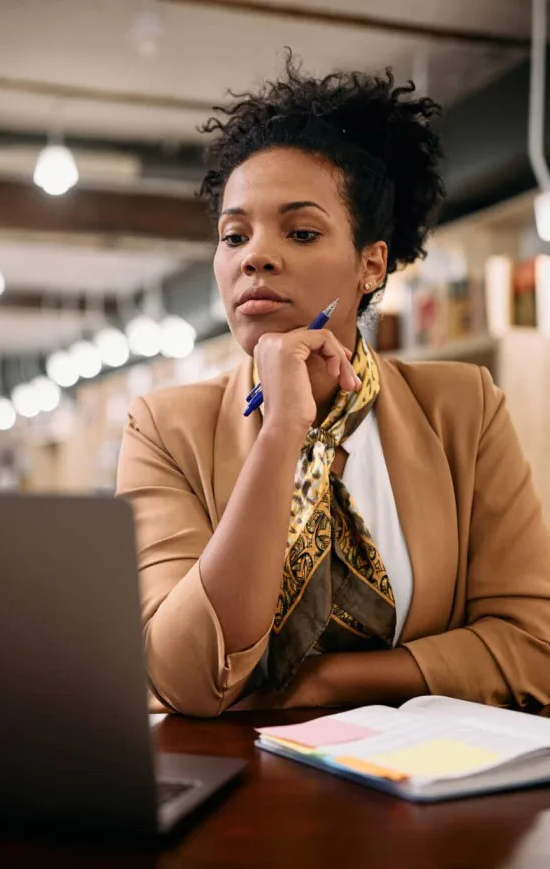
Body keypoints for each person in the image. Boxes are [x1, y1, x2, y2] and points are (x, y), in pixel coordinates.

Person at [116, 56, 550, 718]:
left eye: (300, 231)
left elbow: (531, 646)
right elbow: (181, 675)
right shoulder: (163, 426)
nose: (254, 256)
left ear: (370, 264)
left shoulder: (462, 408)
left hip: (428, 794)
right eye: (234, 235)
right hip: (236, 800)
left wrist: (325, 685)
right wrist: (281, 434)